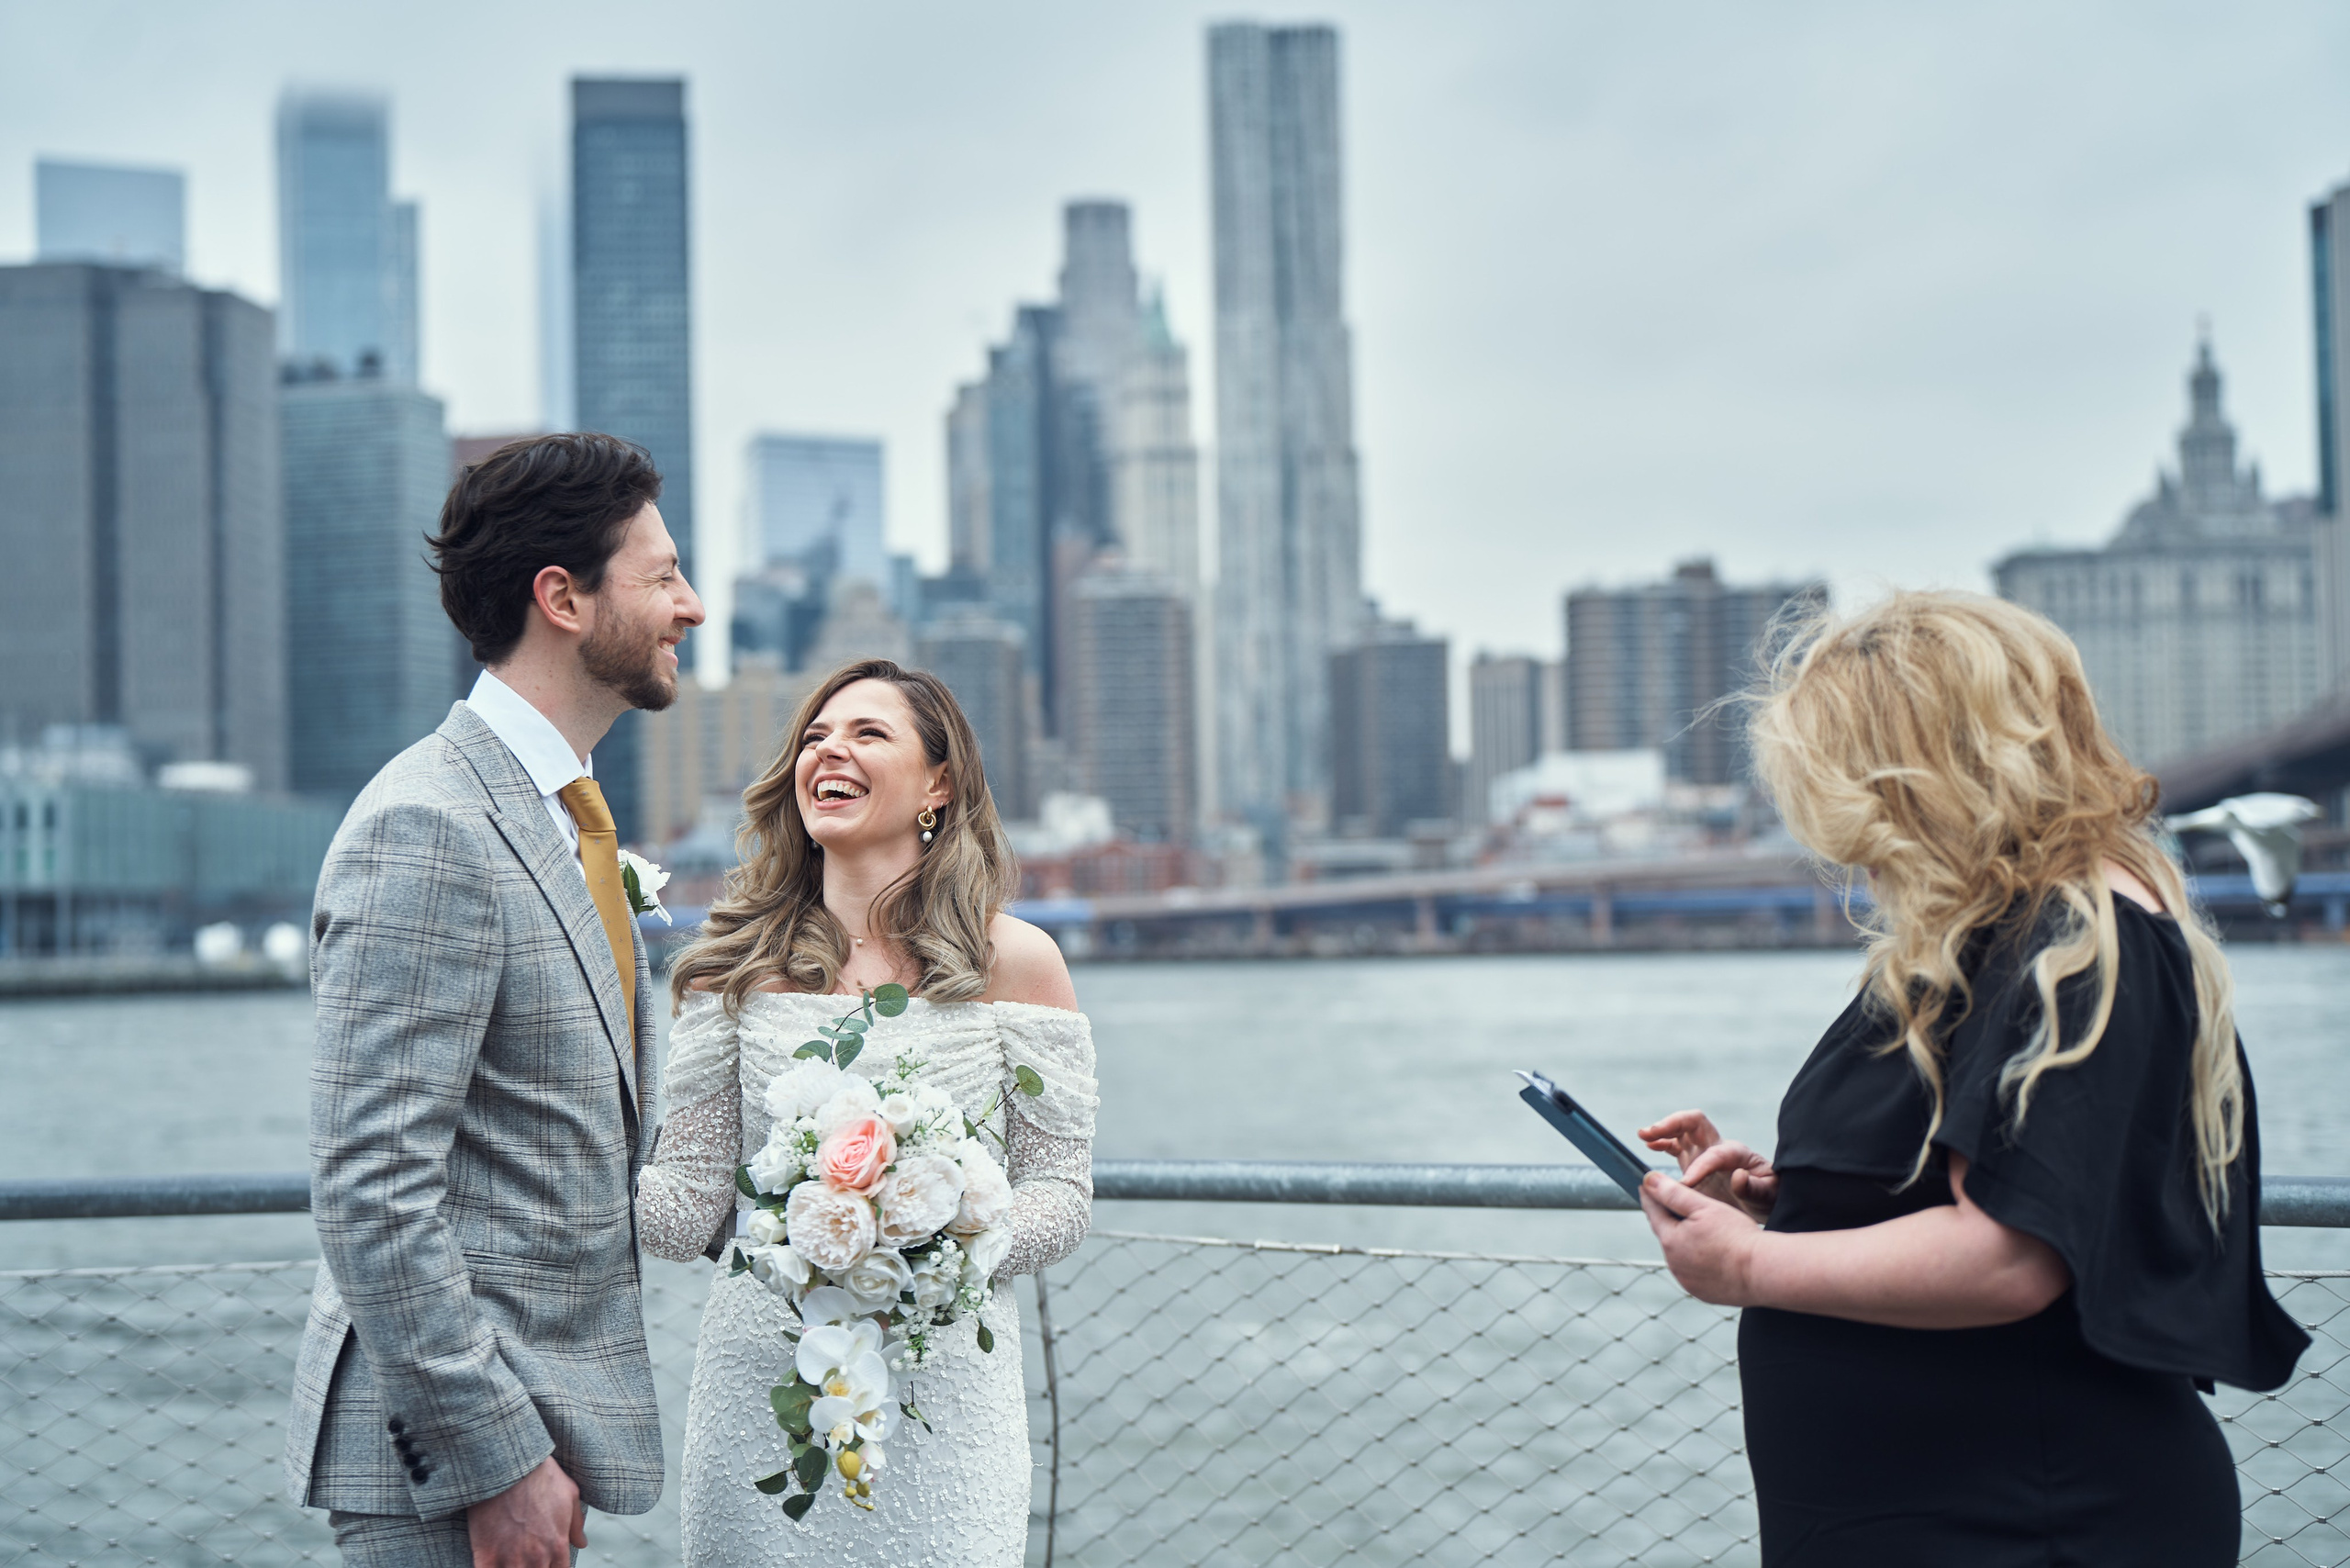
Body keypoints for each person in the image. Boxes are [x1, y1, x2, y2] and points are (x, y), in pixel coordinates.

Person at [1635, 591, 2308, 1567]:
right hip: (1943, 1506)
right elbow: (1996, 1170)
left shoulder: (2084, 944)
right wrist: (1809, 1200)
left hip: (2025, 1515)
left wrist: (1750, 1267)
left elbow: (2011, 1255)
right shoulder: (2003, 932)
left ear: (1914, 772)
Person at [284, 432, 706, 1566]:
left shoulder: (562, 818)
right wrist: (497, 1459)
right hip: (457, 1472)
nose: (693, 606)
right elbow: (373, 1188)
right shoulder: (430, 826)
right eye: (662, 575)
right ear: (561, 598)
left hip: (544, 1441)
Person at [638, 657, 1097, 1566]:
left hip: (948, 1401)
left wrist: (947, 1231)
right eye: (813, 737)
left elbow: (1061, 1193)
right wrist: (547, 1160)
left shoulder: (1022, 963)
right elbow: (688, 1205)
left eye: (866, 733)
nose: (828, 751)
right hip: (763, 1388)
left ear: (939, 782)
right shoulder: (723, 965)